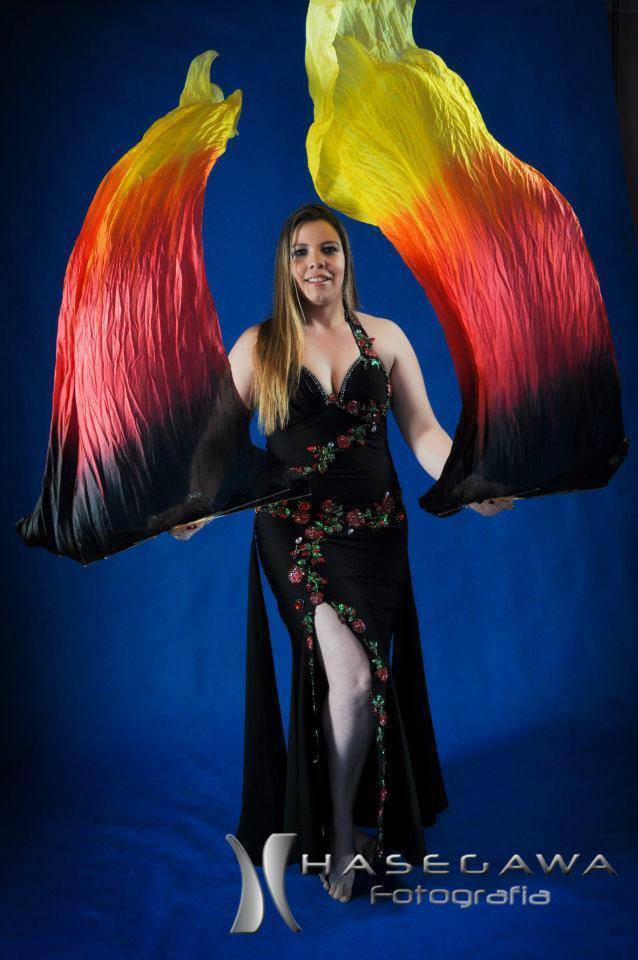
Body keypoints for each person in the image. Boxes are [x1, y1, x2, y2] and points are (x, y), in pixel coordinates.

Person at [170, 203, 514, 902]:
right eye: (300, 252)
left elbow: (424, 432)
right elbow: (214, 448)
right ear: (285, 264)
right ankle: (340, 836)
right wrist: (193, 510)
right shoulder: (260, 347)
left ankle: (347, 814)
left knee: (359, 681)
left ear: (346, 258)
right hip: (295, 534)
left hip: (378, 533)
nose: (315, 263)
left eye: (327, 249)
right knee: (352, 679)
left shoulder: (385, 337)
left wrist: (469, 485)